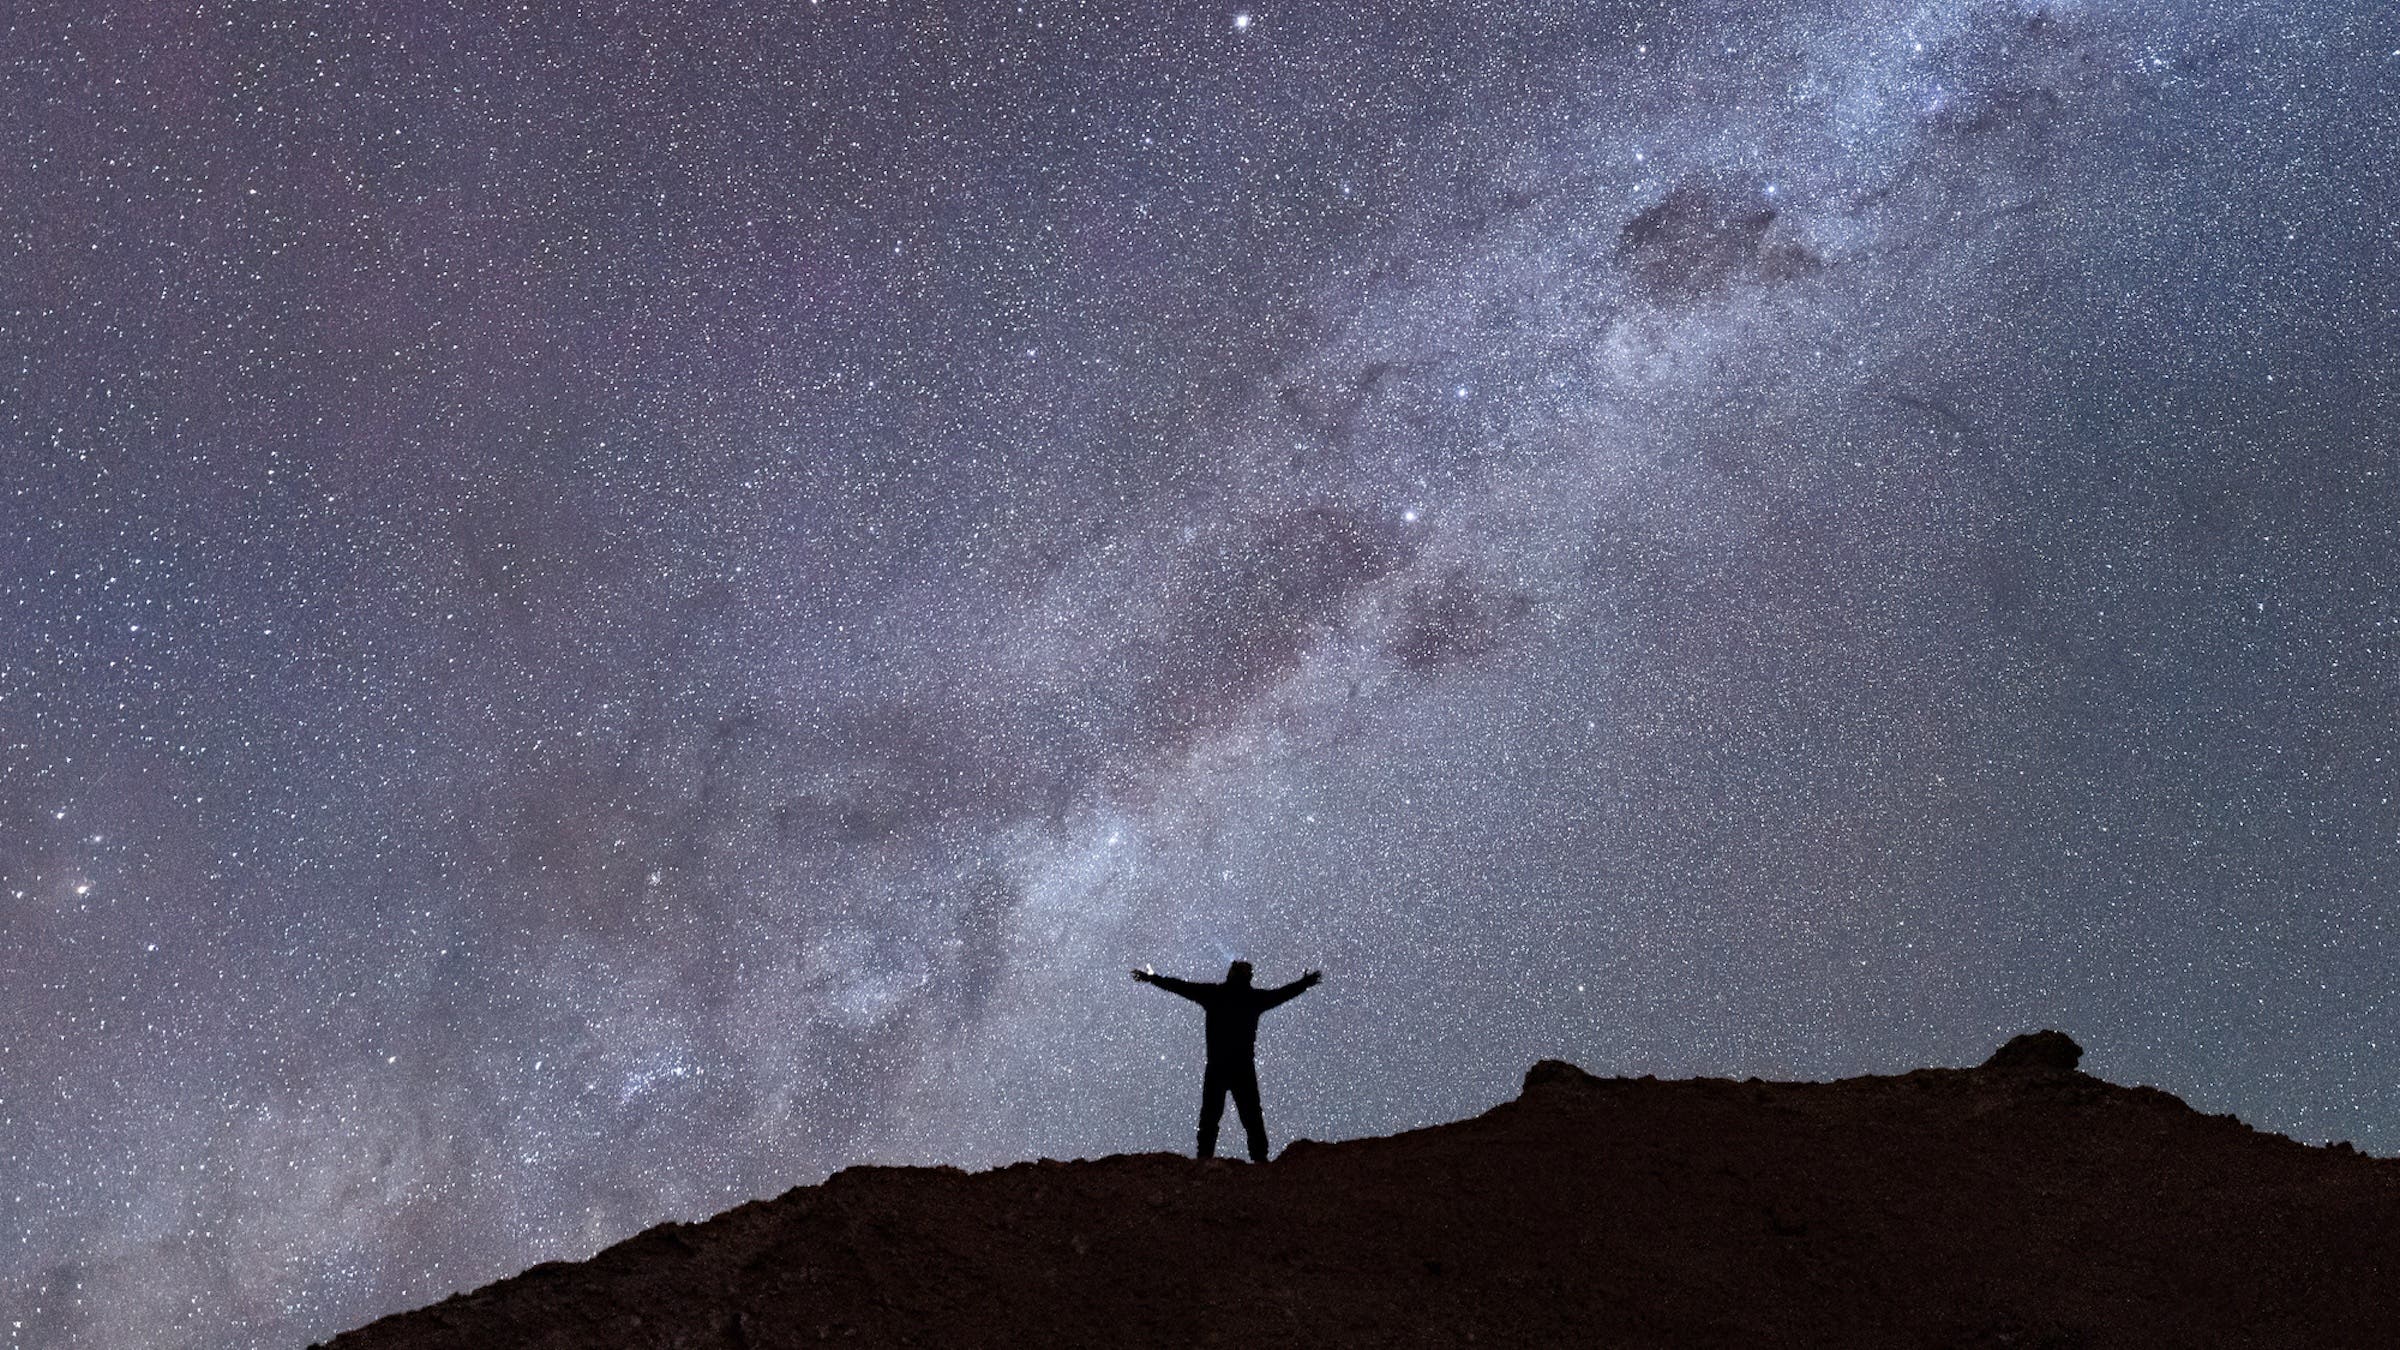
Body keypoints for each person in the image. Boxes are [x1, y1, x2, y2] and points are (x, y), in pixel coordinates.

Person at [1131, 959, 1321, 1162]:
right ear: (1249, 977)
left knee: (1214, 1117)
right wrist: (1304, 984)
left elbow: (1180, 986)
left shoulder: (1215, 994)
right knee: (1248, 1116)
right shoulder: (1252, 998)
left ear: (1230, 974)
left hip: (1219, 1067)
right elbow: (1282, 994)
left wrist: (1152, 979)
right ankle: (1258, 1160)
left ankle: (1206, 1158)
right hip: (1240, 1068)